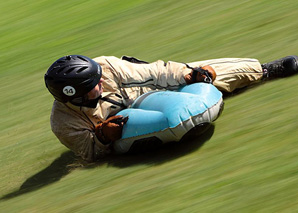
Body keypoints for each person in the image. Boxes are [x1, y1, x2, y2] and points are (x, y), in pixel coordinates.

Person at [44, 54, 298, 162]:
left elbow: (154, 71)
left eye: (98, 76)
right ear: (73, 95)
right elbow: (87, 151)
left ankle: (264, 71)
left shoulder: (105, 66)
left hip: (147, 95)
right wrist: (102, 136)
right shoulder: (63, 122)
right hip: (124, 127)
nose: (100, 79)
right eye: (92, 82)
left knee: (202, 71)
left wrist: (189, 75)